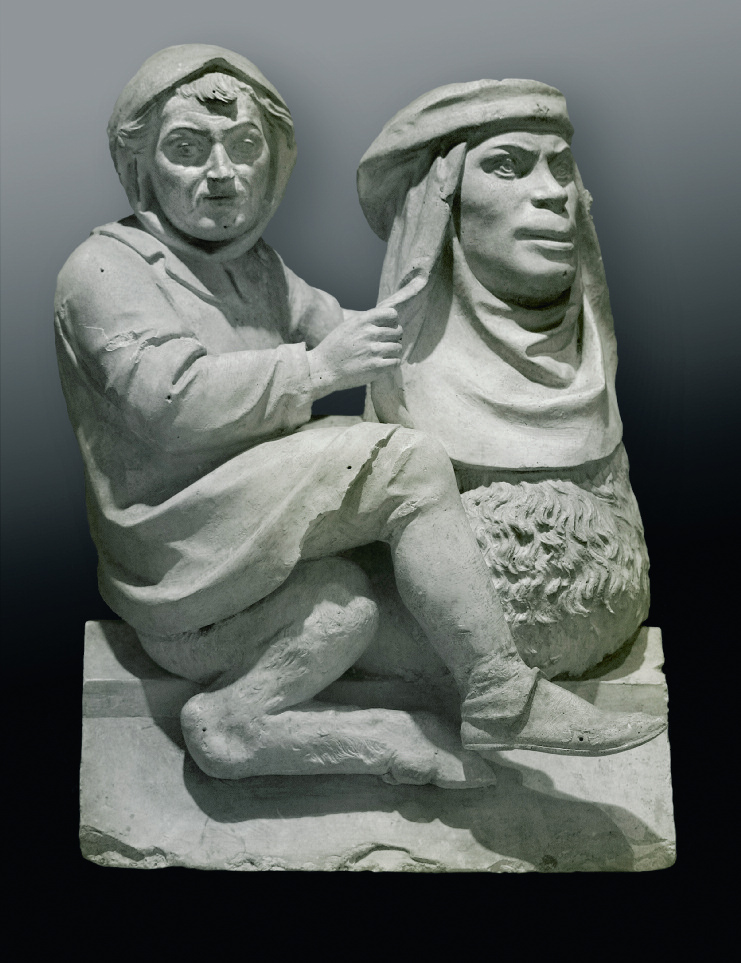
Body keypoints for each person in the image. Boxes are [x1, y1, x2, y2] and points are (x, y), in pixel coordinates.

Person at [55, 46, 665, 786]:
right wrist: (318, 369)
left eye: (244, 147)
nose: (221, 173)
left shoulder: (253, 267)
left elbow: (356, 329)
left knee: (344, 609)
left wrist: (442, 285)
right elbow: (168, 399)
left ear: (274, 164)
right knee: (399, 461)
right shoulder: (106, 270)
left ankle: (237, 725)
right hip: (177, 555)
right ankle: (499, 690)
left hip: (240, 588)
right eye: (187, 149)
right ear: (139, 165)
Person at [357, 80, 651, 678]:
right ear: (443, 201)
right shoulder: (406, 398)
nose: (553, 193)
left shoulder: (591, 372)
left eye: (561, 169)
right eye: (507, 166)